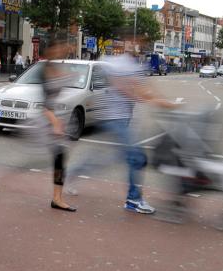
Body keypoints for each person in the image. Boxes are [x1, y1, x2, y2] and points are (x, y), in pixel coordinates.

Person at [66, 50, 176, 214]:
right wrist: (159, 102)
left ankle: (73, 172)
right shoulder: (118, 64)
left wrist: (160, 100)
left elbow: (144, 88)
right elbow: (129, 89)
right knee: (136, 157)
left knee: (111, 158)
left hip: (121, 120)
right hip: (114, 120)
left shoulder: (133, 65)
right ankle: (133, 200)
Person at [37, 43, 76, 212]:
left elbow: (65, 79)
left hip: (56, 119)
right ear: (49, 51)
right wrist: (54, 123)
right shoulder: (44, 70)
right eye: (57, 49)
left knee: (60, 159)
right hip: (48, 120)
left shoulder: (54, 67)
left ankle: (57, 198)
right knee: (58, 158)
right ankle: (56, 199)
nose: (60, 51)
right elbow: (44, 105)